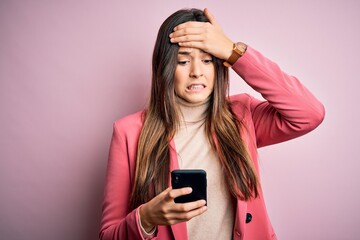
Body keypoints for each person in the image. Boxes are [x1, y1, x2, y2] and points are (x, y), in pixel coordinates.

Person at [99, 7, 325, 240]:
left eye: (207, 60)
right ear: (165, 69)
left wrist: (233, 52)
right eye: (183, 61)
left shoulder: (243, 116)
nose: (197, 72)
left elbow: (309, 113)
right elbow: (108, 235)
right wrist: (145, 218)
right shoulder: (129, 132)